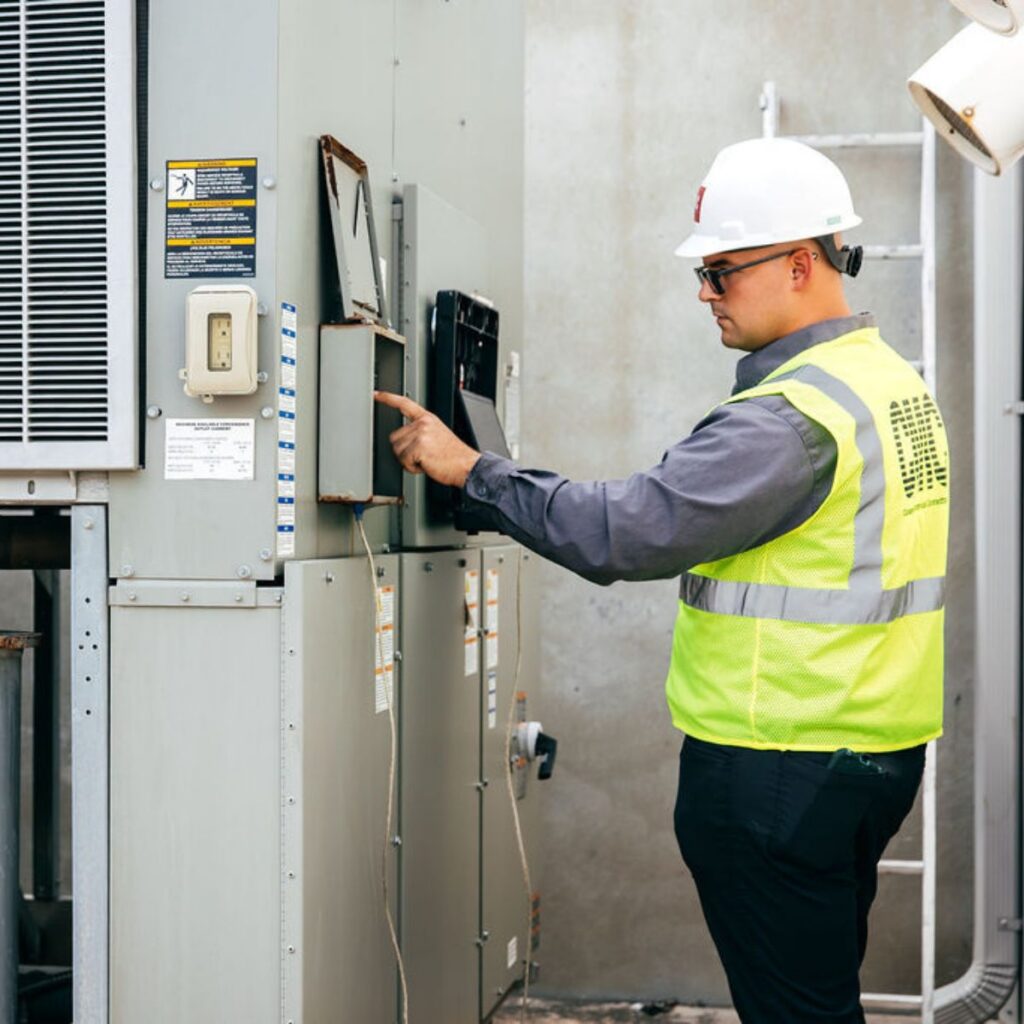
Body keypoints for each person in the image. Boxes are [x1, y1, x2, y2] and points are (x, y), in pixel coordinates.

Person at [375, 137, 950, 1024]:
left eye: (722, 271)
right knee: (816, 991)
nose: (704, 294)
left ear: (800, 263)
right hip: (869, 754)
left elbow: (624, 531)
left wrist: (472, 471)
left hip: (779, 766)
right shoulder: (889, 385)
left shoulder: (788, 420)